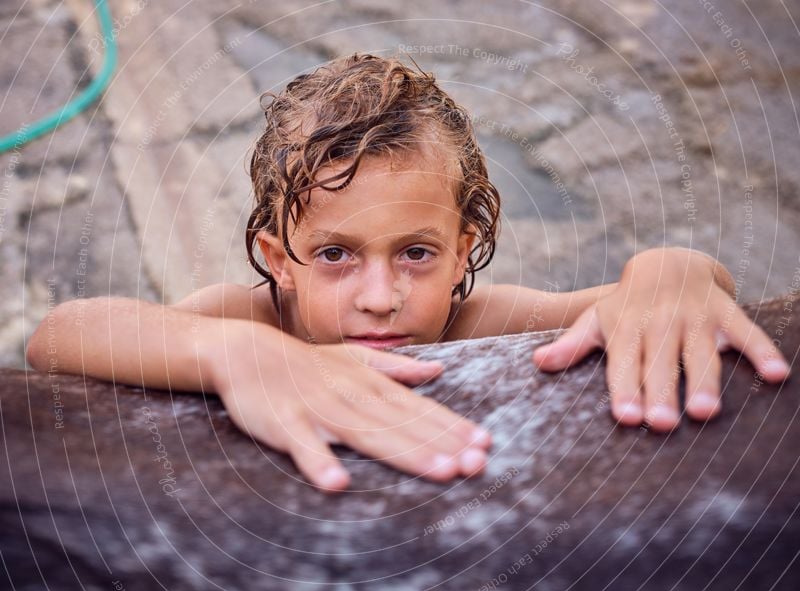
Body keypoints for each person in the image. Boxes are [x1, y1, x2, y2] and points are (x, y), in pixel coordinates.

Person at [26, 53, 790, 493]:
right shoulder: (246, 318)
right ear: (276, 261)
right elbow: (57, 337)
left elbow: (665, 293)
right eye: (335, 254)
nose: (382, 297)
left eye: (417, 253)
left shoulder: (478, 321)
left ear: (465, 248)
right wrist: (235, 354)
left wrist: (669, 268)